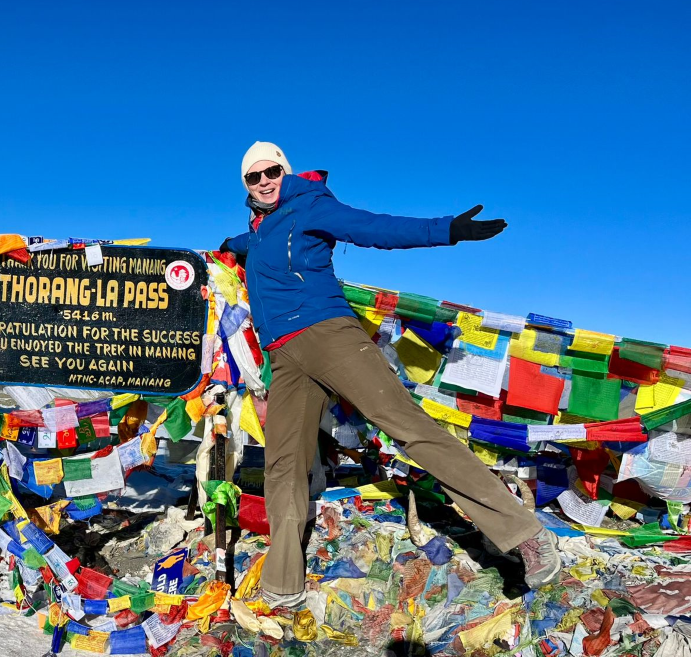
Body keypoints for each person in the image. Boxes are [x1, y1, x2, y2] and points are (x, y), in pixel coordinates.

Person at [220, 142, 560, 609]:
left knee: (409, 430)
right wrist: (228, 249)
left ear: (286, 170)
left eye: (271, 171)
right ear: (245, 185)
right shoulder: (256, 233)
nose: (264, 181)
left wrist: (446, 229)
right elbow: (245, 246)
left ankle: (527, 534)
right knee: (283, 466)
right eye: (253, 177)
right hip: (285, 358)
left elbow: (373, 228)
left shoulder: (311, 206)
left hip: (330, 335)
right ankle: (284, 583)